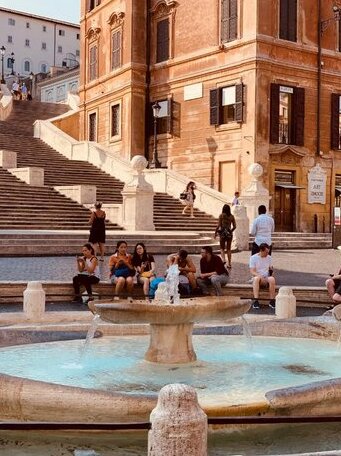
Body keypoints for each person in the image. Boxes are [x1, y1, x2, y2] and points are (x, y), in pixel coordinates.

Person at [249, 243, 276, 309]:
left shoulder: (269, 257)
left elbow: (270, 268)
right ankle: (256, 301)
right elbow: (252, 271)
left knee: (272, 279)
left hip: (266, 277)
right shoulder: (253, 258)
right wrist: (260, 276)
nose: (267, 253)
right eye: (266, 252)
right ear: (261, 250)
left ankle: (272, 301)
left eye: (268, 252)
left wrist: (272, 272)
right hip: (258, 278)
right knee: (256, 279)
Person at [215, 204, 236, 269]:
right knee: (229, 249)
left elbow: (218, 225)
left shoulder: (221, 216)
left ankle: (223, 260)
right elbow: (235, 226)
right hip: (229, 234)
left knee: (222, 248)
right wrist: (230, 231)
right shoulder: (232, 216)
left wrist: (215, 233)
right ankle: (229, 263)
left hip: (222, 233)